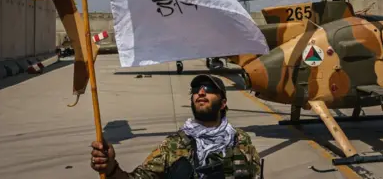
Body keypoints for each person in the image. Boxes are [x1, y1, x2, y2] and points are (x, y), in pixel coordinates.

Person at [90, 74, 262, 178]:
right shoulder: (174, 145)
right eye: (196, 89)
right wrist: (111, 168)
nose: (200, 92)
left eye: (208, 88)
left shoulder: (240, 140)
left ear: (223, 103)